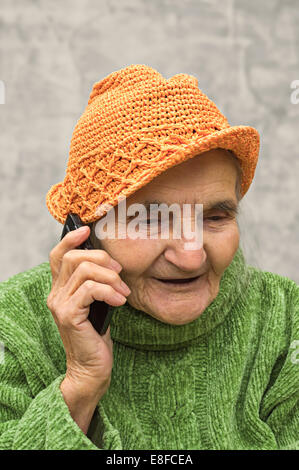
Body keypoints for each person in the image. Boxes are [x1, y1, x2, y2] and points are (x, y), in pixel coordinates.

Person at [0, 64, 298, 450]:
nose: (191, 257)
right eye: (152, 221)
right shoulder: (14, 322)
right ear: (83, 232)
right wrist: (80, 385)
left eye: (215, 217)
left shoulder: (286, 318)